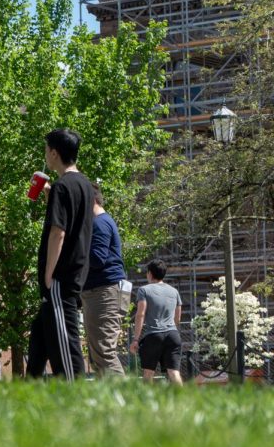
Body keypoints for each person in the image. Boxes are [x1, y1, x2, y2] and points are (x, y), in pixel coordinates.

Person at [25, 129, 94, 381]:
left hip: (61, 278)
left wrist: (48, 274)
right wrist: (49, 195)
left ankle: (76, 400)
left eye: (46, 150)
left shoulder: (62, 187)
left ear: (54, 153)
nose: (45, 155)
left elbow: (59, 233)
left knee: (66, 343)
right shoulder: (84, 185)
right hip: (75, 271)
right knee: (40, 336)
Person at [81, 184, 127, 378]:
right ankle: (111, 403)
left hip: (104, 293)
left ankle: (127, 404)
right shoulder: (100, 222)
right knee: (97, 355)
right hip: (99, 292)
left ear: (91, 200)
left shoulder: (100, 223)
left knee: (104, 353)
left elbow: (97, 259)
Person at [130, 260, 183, 386]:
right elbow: (178, 318)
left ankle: (147, 403)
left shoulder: (144, 290)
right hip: (173, 335)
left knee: (148, 373)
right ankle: (186, 402)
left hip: (153, 336)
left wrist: (136, 339)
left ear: (149, 273)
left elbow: (141, 314)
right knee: (174, 373)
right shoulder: (174, 291)